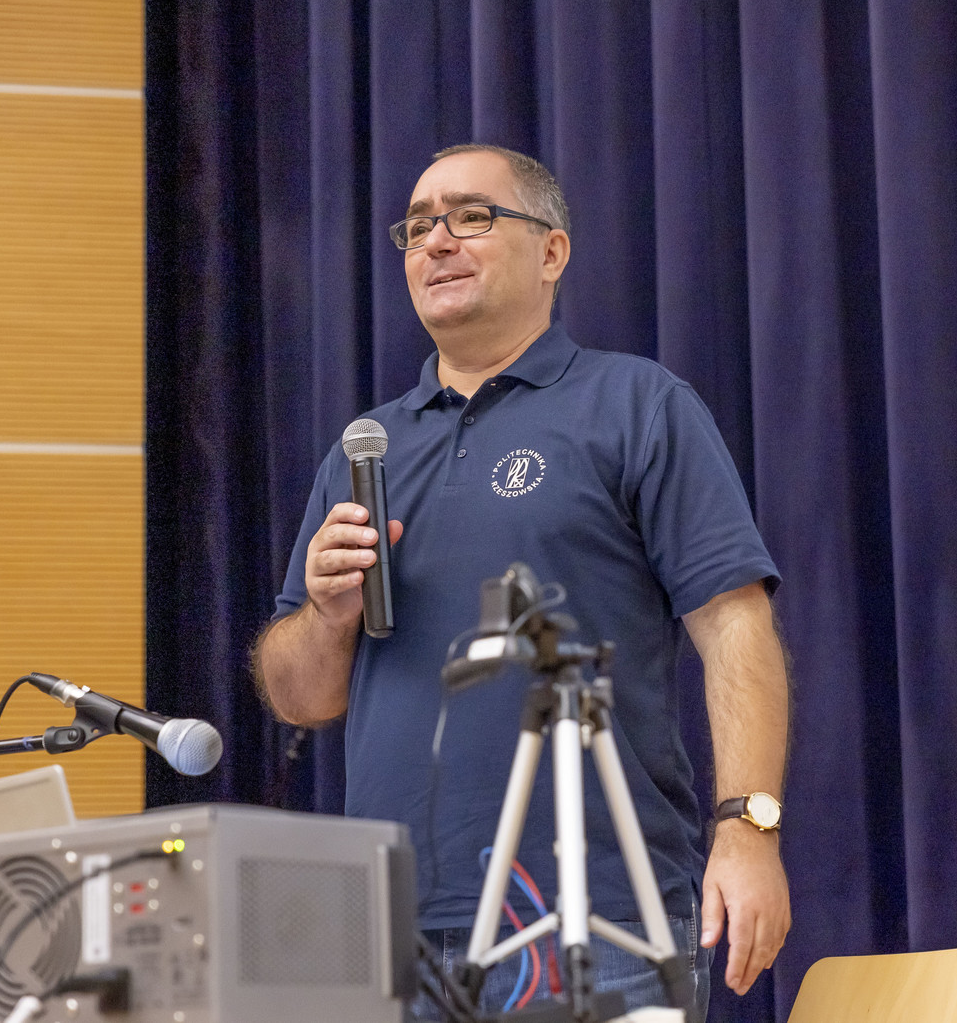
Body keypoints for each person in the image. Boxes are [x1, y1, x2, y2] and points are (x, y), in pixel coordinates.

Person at [253, 144, 791, 1019]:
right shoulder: (366, 449)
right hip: (390, 932)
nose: (436, 242)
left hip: (598, 919)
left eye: (471, 217)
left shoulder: (637, 405)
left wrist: (748, 828)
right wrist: (326, 614)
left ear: (551, 252)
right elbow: (300, 697)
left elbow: (736, 627)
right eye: (417, 227)